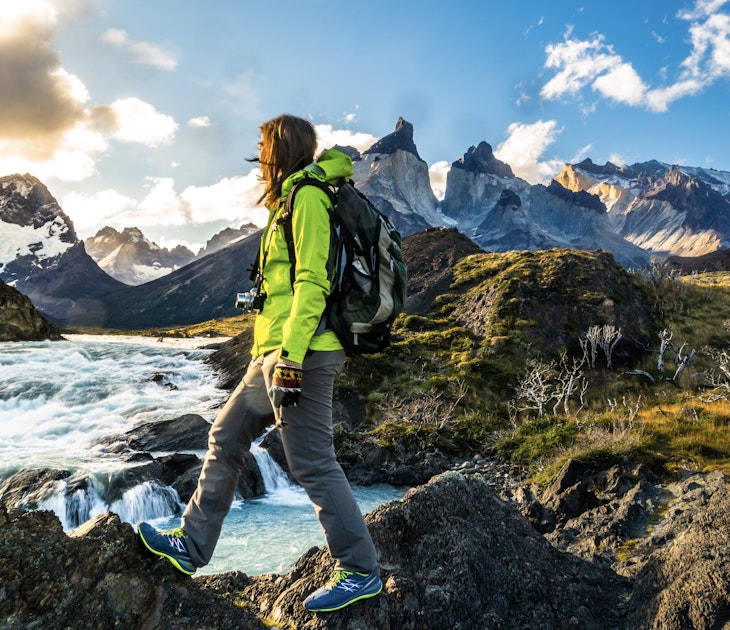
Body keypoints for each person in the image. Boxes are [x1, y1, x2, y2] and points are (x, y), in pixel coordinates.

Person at [137, 114, 382, 613]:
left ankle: (360, 570)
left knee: (312, 462)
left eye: (265, 148)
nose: (259, 159)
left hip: (303, 353)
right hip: (270, 354)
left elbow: (313, 283)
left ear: (281, 150)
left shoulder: (309, 198)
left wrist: (290, 359)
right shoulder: (289, 200)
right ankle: (192, 544)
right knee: (225, 438)